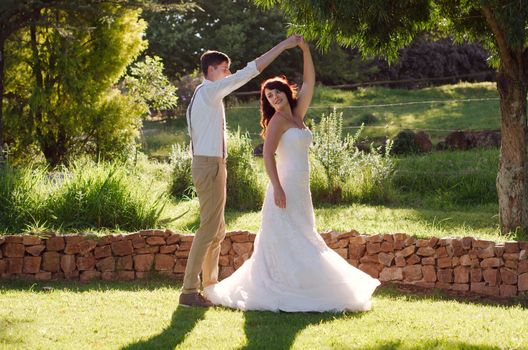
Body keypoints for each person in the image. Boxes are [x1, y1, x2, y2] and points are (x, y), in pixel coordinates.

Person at [204, 37, 380, 312]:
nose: (274, 98)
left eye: (277, 93)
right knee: (285, 239)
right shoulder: (276, 122)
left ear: (286, 92)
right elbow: (266, 154)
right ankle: (284, 287)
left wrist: (306, 49)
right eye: (269, 97)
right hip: (283, 187)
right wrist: (277, 188)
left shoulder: (298, 115)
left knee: (304, 235)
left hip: (301, 187)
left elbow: (310, 82)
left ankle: (301, 284)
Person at [179, 35, 302, 308]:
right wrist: (283, 46)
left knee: (218, 229)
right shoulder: (209, 91)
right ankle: (189, 291)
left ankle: (209, 287)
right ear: (212, 70)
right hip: (208, 164)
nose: (229, 74)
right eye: (225, 69)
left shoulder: (207, 94)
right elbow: (251, 71)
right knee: (208, 227)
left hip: (212, 163)